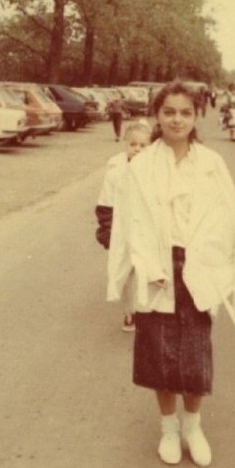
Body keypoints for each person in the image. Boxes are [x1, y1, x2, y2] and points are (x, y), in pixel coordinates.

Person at [107, 82, 235, 468]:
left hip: (197, 269)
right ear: (157, 115)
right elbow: (126, 224)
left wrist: (224, 271)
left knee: (194, 354)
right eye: (169, 111)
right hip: (157, 268)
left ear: (196, 116)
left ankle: (193, 427)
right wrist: (122, 277)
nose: (177, 119)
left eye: (185, 112)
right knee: (160, 354)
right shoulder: (141, 166)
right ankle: (168, 428)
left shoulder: (211, 164)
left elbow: (229, 221)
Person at [96, 122, 152, 331]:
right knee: (125, 272)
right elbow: (105, 203)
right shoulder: (115, 172)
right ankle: (130, 312)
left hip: (146, 231)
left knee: (143, 270)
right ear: (125, 145)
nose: (137, 149)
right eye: (133, 144)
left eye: (143, 145)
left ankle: (144, 308)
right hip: (122, 231)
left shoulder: (155, 172)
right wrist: (107, 230)